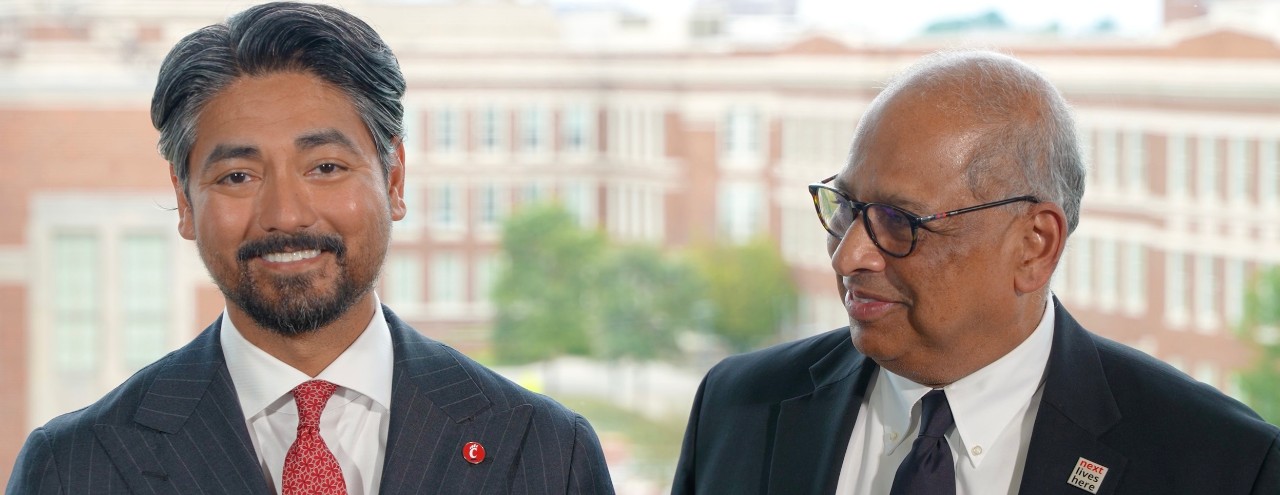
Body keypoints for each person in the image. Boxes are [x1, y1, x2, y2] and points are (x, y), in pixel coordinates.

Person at [6, 3, 614, 494]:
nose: (285, 215)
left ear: (394, 180)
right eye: (237, 177)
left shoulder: (544, 452)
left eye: (325, 166)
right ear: (186, 203)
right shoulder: (73, 468)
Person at [672, 50, 1280, 494]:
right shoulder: (737, 408)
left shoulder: (1224, 464)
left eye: (899, 221)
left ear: (1034, 246)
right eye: (846, 209)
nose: (849, 254)